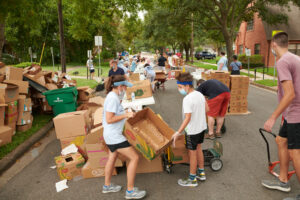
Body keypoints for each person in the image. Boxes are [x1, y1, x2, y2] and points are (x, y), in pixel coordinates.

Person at [261, 32, 300, 200]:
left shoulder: (283, 61)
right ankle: (283, 180)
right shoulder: (295, 58)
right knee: (280, 140)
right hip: (293, 113)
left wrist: (273, 117)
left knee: (295, 152)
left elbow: (290, 94)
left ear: (274, 45)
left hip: (296, 113)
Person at [102, 75, 146, 199]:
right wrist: (126, 115)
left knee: (112, 157)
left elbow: (115, 113)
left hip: (111, 135)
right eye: (125, 86)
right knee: (134, 158)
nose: (126, 89)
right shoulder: (112, 98)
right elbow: (109, 119)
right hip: (114, 136)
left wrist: (125, 112)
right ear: (120, 86)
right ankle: (130, 191)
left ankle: (107, 186)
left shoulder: (114, 97)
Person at [172, 72, 209, 187]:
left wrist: (178, 132)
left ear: (187, 86)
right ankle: (201, 173)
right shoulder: (199, 94)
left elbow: (187, 118)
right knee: (199, 148)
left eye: (180, 87)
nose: (179, 89)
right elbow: (207, 109)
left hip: (192, 130)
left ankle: (192, 179)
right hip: (201, 127)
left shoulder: (187, 99)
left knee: (192, 154)